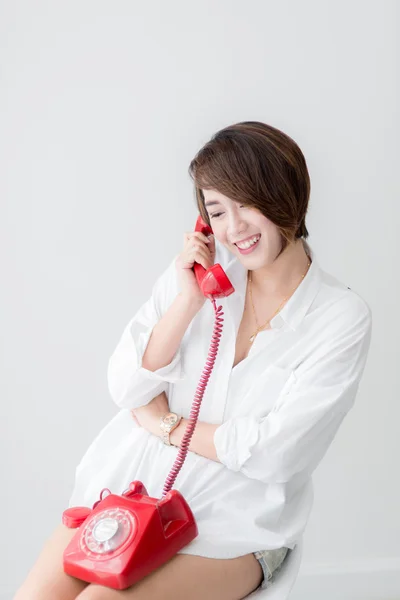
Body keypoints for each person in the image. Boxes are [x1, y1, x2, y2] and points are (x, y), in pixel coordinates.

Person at [15, 121, 372, 600]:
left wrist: (166, 423)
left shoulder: (339, 317)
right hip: (134, 495)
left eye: (247, 203)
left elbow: (276, 454)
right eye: (218, 211)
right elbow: (126, 389)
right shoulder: (201, 275)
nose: (235, 229)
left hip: (237, 525)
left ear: (288, 196)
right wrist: (186, 303)